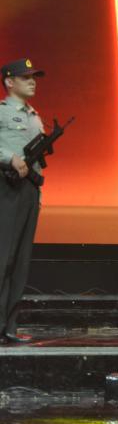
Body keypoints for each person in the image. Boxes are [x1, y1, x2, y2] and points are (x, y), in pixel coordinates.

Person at [0, 58, 48, 345]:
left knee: (20, 261)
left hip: (29, 191)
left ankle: (9, 326)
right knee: (3, 257)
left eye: (34, 77)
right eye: (26, 77)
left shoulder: (34, 116)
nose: (32, 82)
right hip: (6, 188)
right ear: (9, 82)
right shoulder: (2, 112)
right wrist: (9, 158)